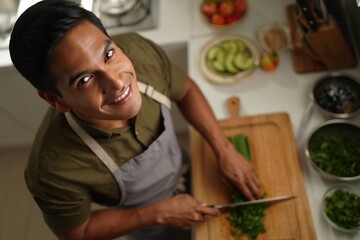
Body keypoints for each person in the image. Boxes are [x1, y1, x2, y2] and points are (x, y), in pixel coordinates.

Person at [9, 0, 260, 239]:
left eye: (108, 54)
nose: (118, 83)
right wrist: (157, 214)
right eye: (84, 80)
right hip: (152, 228)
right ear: (56, 100)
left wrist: (224, 148)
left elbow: (185, 90)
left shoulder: (140, 52)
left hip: (193, 172)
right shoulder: (52, 171)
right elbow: (77, 233)